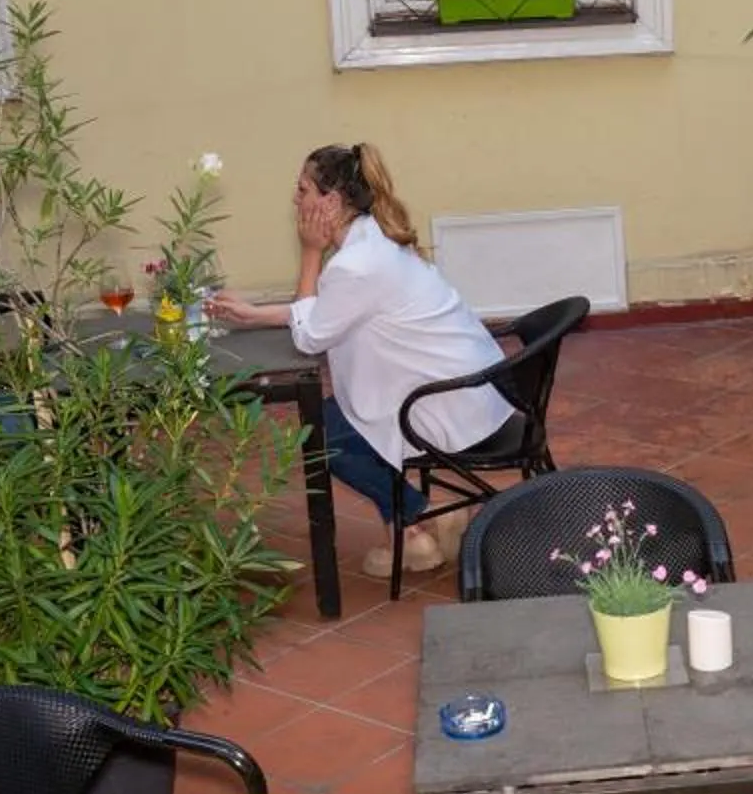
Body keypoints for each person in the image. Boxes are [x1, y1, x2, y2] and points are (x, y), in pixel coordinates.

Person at [209, 145, 523, 580]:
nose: (295, 201)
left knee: (321, 435)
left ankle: (415, 519)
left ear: (331, 202)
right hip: (471, 390)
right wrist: (256, 314)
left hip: (448, 406)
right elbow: (334, 313)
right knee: (335, 421)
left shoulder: (354, 264)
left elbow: (311, 335)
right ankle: (415, 524)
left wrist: (310, 254)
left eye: (302, 190)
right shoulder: (374, 238)